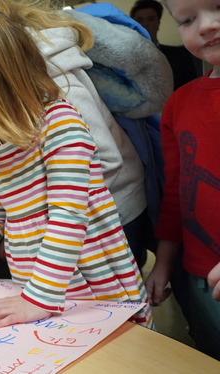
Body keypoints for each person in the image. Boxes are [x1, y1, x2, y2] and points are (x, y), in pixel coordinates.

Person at [0, 6, 153, 329]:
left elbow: (68, 216)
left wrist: (37, 299)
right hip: (39, 297)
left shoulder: (60, 125)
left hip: (93, 294)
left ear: (5, 90)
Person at [145, 0, 220, 360]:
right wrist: (163, 263)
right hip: (199, 278)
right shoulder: (178, 103)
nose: (206, 25)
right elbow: (177, 193)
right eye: (188, 20)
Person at [130, 0, 202, 90]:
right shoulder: (124, 57)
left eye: (151, 19)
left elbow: (191, 89)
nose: (145, 24)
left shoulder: (180, 55)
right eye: (140, 20)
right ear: (132, 25)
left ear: (158, 24)